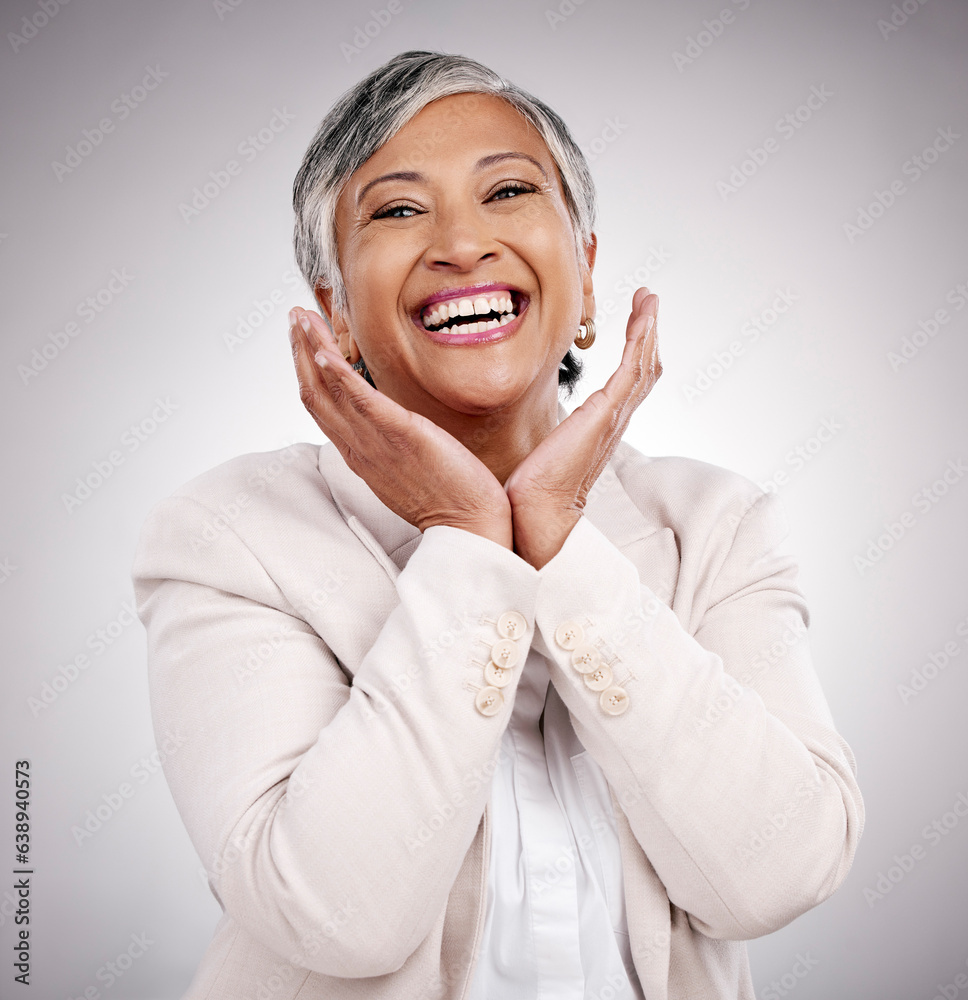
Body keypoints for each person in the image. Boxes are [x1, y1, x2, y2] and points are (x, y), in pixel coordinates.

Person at [132, 50, 864, 1000]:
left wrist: (560, 540)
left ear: (587, 274)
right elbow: (332, 918)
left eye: (509, 191)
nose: (461, 244)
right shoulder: (227, 535)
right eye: (397, 210)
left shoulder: (716, 524)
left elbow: (780, 873)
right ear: (336, 316)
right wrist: (470, 541)